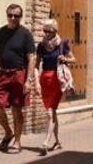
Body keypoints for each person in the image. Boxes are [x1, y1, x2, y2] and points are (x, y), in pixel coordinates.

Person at [0, 4, 35, 154]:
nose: (13, 18)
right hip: (2, 74)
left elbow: (31, 58)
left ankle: (17, 141)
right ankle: (8, 132)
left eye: (16, 16)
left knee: (16, 109)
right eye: (10, 15)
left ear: (20, 17)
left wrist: (28, 80)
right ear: (7, 15)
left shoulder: (25, 34)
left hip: (19, 74)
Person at [35, 19, 76, 156]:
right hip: (44, 81)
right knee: (52, 112)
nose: (46, 33)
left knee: (50, 111)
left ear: (55, 31)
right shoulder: (41, 46)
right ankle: (57, 141)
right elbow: (36, 65)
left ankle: (45, 143)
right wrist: (36, 82)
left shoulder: (62, 44)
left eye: (49, 31)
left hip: (57, 81)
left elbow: (73, 59)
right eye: (44, 30)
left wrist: (65, 59)